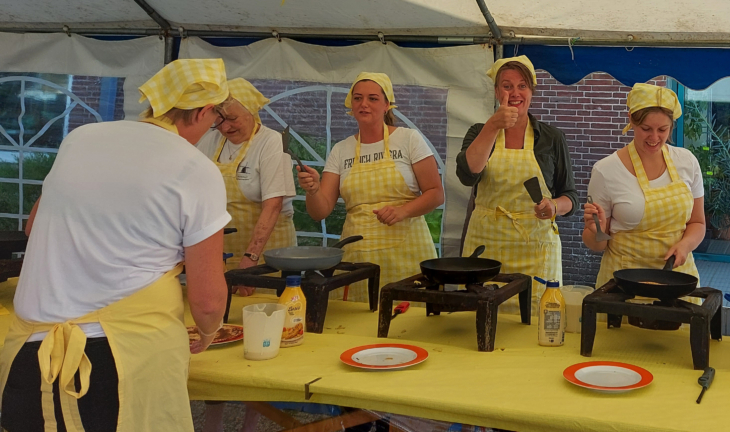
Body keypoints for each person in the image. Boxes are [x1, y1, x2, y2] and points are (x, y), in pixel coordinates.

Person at [0, 58, 232, 432]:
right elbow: (207, 300)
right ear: (203, 111)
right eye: (215, 118)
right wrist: (208, 332)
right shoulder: (195, 168)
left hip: (31, 349)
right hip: (121, 358)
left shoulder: (80, 139)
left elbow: (34, 227)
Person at [297, 72, 444, 300]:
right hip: (359, 256)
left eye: (373, 98)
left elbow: (436, 194)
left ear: (387, 104)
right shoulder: (341, 150)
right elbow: (320, 211)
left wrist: (402, 211)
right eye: (357, 98)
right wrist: (313, 190)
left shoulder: (408, 139)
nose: (364, 104)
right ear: (351, 104)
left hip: (408, 251)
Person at [456, 55, 578, 311]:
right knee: (480, 314)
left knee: (534, 320)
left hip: (535, 246)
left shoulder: (552, 138)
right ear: (496, 91)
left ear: (532, 90)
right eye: (507, 86)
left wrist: (554, 206)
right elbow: (468, 174)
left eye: (522, 85)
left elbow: (570, 196)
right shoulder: (479, 131)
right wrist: (492, 127)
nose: (515, 93)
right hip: (486, 246)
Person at [583, 83, 704, 288]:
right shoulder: (606, 171)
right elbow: (597, 244)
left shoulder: (687, 162)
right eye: (646, 129)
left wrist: (685, 245)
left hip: (676, 281)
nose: (654, 138)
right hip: (623, 284)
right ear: (631, 120)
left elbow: (698, 223)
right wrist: (598, 229)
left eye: (662, 129)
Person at [197, 78, 297, 297]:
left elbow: (273, 205)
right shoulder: (209, 141)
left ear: (251, 111)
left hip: (268, 254)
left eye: (232, 119)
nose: (225, 127)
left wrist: (250, 258)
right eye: (219, 120)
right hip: (223, 250)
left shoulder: (270, 142)